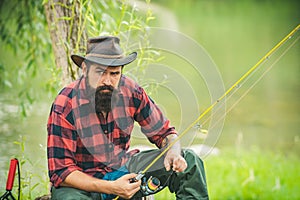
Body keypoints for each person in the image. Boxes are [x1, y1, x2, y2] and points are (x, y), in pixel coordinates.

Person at [47, 36, 209, 200]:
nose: (107, 81)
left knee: (189, 160)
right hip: (82, 185)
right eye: (100, 72)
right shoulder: (66, 103)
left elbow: (165, 133)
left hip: (124, 171)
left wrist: (173, 152)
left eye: (114, 74)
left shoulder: (131, 91)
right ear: (85, 69)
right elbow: (61, 171)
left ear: (121, 72)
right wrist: (111, 188)